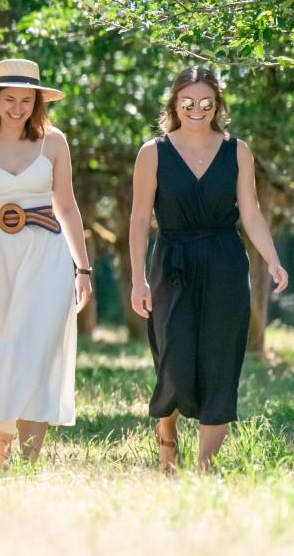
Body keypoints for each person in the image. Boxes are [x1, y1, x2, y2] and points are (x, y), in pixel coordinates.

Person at [129, 66, 288, 474]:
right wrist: (137, 278)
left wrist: (271, 258)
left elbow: (250, 214)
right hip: (173, 264)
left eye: (206, 102)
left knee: (220, 364)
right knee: (174, 359)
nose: (197, 109)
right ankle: (168, 437)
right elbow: (137, 219)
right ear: (174, 103)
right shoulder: (153, 152)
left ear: (217, 105)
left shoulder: (238, 151)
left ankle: (203, 468)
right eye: (188, 102)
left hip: (224, 263)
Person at [0, 58, 92, 465]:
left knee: (36, 350)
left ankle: (28, 461)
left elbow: (68, 206)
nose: (17, 107)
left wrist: (83, 268)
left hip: (47, 253)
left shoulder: (55, 141)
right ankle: (3, 456)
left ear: (37, 102)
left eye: (26, 100)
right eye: (9, 98)